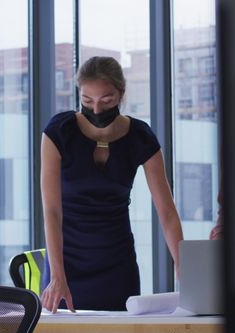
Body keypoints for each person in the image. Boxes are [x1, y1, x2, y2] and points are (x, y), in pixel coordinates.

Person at [40, 56, 184, 312]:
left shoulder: (141, 137)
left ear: (121, 94)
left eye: (106, 100)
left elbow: (167, 212)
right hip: (66, 263)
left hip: (117, 265)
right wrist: (57, 275)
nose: (96, 110)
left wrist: (182, 264)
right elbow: (51, 212)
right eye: (87, 100)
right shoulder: (59, 132)